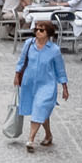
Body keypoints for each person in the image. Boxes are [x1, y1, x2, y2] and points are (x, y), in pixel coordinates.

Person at [14, 20, 71, 153]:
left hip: (47, 84)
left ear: (48, 33)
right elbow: (21, 60)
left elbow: (60, 70)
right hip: (29, 83)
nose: (37, 32)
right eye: (36, 30)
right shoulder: (29, 44)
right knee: (41, 110)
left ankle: (31, 139)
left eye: (41, 30)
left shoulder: (54, 50)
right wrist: (17, 75)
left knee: (40, 107)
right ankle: (48, 135)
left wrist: (64, 87)